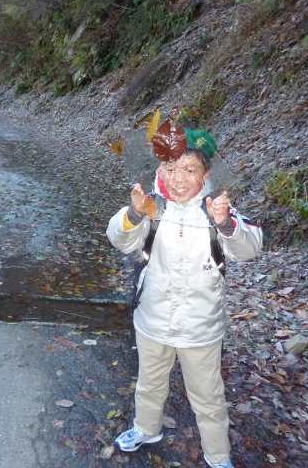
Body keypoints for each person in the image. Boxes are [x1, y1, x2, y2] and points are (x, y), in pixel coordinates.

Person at [106, 127, 262, 468]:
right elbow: (120, 239)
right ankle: (146, 429)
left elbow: (250, 247)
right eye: (171, 168)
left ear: (206, 175)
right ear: (159, 169)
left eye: (190, 169)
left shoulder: (216, 210)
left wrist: (226, 224)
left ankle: (218, 456)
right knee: (149, 384)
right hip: (152, 320)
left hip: (201, 328)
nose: (178, 179)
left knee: (208, 397)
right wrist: (133, 215)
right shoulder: (151, 206)